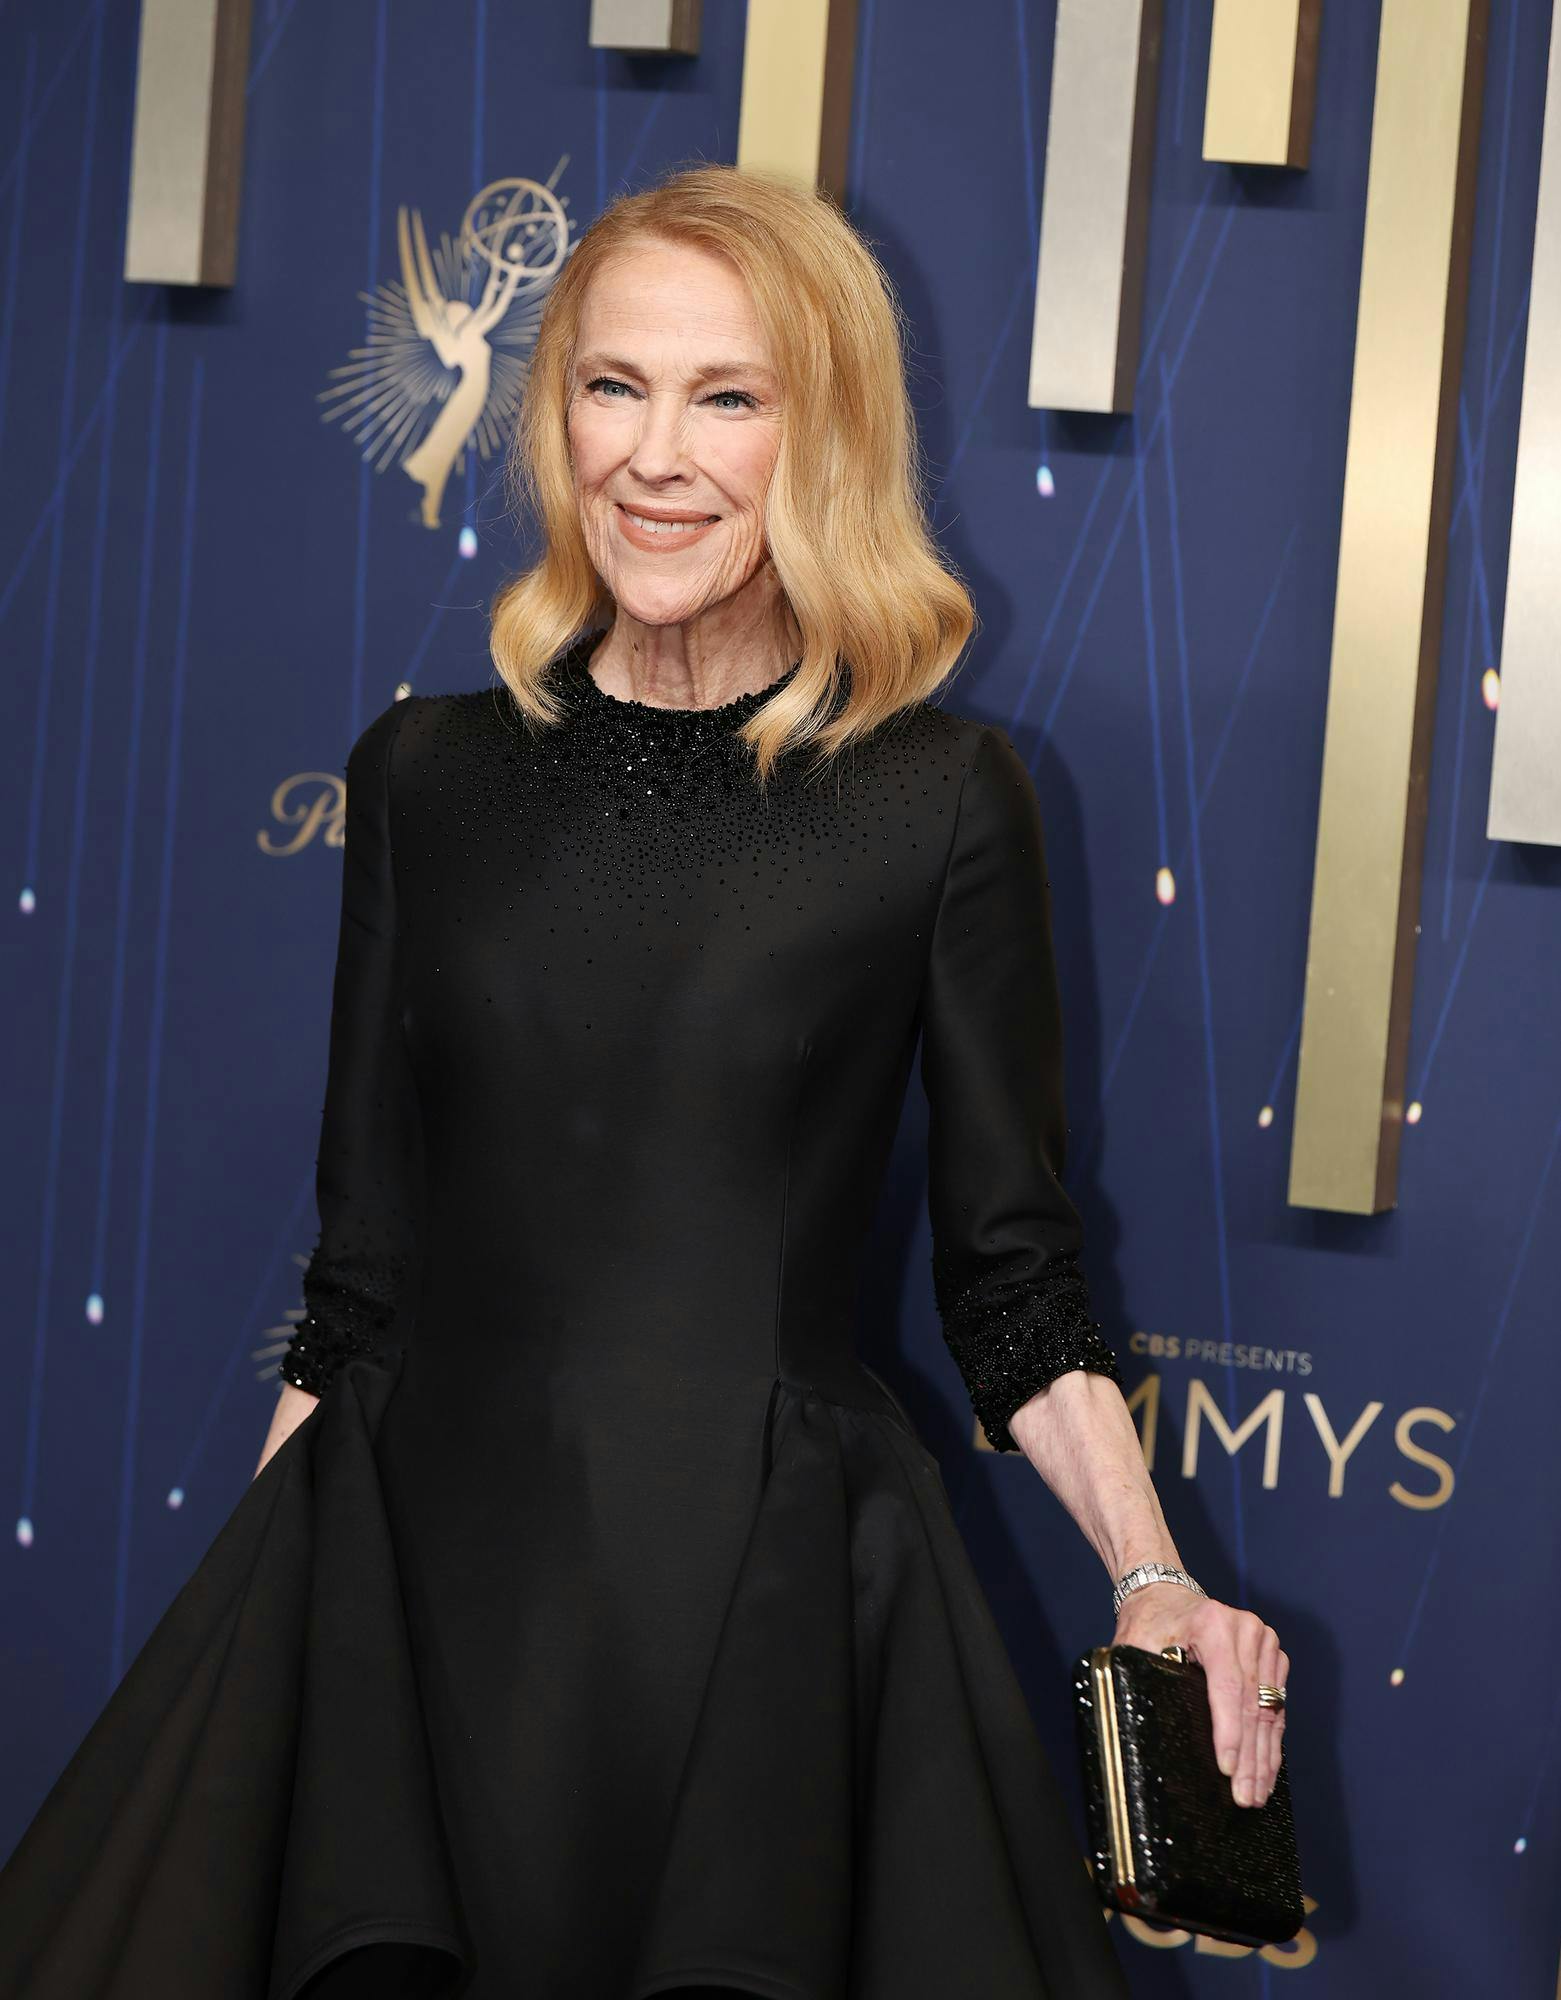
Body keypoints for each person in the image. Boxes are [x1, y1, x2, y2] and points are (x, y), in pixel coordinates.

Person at [0, 162, 1288, 1999]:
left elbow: (1012, 1281)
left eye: (727, 397)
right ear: (554, 413)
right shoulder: (425, 776)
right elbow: (357, 1273)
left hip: (753, 1607)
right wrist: (254, 1666)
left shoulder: (932, 801)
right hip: (431, 1591)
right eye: (612, 386)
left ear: (820, 431)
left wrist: (1154, 1585)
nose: (652, 457)